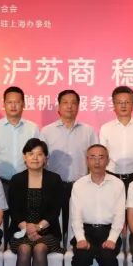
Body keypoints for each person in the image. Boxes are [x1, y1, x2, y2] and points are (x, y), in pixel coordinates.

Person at [6, 138, 64, 266]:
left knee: (39, 248)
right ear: (24, 157)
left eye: (40, 154)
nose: (35, 158)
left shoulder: (54, 180)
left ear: (46, 158)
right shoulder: (16, 180)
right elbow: (14, 210)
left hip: (47, 231)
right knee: (24, 249)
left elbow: (55, 211)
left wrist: (38, 227)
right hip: (21, 230)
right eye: (31, 154)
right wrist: (27, 227)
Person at [68, 144, 125, 266]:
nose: (97, 161)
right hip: (85, 231)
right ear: (87, 160)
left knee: (108, 259)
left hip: (108, 231)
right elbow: (75, 215)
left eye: (101, 157)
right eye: (92, 157)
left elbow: (120, 215)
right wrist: (80, 238)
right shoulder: (79, 185)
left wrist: (112, 239)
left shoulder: (117, 184)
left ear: (107, 160)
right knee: (80, 258)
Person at [40, 89, 97, 243]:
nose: (69, 106)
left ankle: (74, 248)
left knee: (77, 222)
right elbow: (41, 159)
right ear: (59, 106)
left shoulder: (88, 131)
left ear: (78, 106)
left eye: (73, 103)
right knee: (54, 222)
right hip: (54, 186)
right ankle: (58, 248)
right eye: (65, 102)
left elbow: (95, 158)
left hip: (80, 185)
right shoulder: (46, 131)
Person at [0, 86, 39, 233]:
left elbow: (38, 156)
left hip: (25, 182)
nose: (13, 106)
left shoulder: (33, 128)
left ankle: (17, 245)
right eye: (9, 102)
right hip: (0, 182)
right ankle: (2, 244)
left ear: (23, 104)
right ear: (4, 104)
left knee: (22, 219)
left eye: (17, 102)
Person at [99, 86, 133, 191]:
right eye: (119, 102)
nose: (123, 106)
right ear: (114, 105)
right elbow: (102, 157)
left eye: (127, 102)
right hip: (112, 177)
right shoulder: (105, 128)